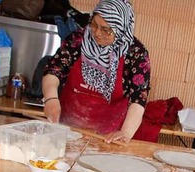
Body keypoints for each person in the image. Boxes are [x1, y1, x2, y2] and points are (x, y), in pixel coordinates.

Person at [42, 0, 150, 145]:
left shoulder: (136, 54)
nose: (97, 33)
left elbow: (139, 97)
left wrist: (125, 133)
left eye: (106, 30)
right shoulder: (78, 40)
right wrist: (51, 99)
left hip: (108, 137)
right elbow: (53, 70)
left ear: (121, 29)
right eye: (94, 25)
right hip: (66, 130)